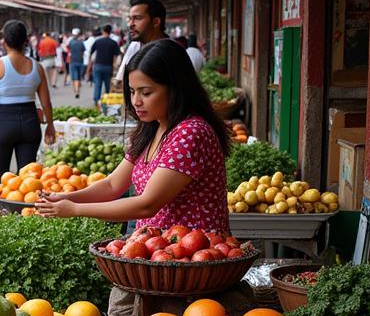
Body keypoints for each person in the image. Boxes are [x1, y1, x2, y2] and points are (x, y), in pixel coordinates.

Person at [35, 38, 229, 229]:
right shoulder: (153, 127)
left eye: (146, 93)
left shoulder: (191, 133)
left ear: (176, 89)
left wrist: (76, 209)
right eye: (132, 91)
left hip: (194, 252)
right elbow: (113, 185)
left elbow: (147, 205)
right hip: (156, 249)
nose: (136, 101)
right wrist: (66, 197)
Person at [0, 19, 56, 185]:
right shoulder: (37, 67)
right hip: (30, 123)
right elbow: (46, 102)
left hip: (2, 123)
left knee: (0, 177)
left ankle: (0, 211)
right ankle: (26, 211)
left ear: (4, 41)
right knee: (29, 179)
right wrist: (50, 125)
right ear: (25, 41)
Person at [114, 0, 168, 85]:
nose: (131, 24)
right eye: (130, 19)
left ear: (156, 22)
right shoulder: (135, 46)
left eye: (137, 18)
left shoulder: (170, 52)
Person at [87, 25, 121, 108]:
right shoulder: (113, 43)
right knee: (107, 86)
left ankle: (96, 102)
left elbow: (91, 53)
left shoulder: (98, 41)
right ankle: (106, 103)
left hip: (98, 66)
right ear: (110, 32)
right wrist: (115, 65)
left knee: (97, 85)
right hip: (108, 67)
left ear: (103, 31)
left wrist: (89, 66)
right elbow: (117, 56)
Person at [67, 28, 86, 98]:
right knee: (79, 77)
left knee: (74, 78)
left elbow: (68, 49)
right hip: (80, 61)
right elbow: (83, 52)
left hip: (73, 62)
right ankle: (77, 90)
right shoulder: (81, 42)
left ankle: (76, 90)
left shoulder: (71, 42)